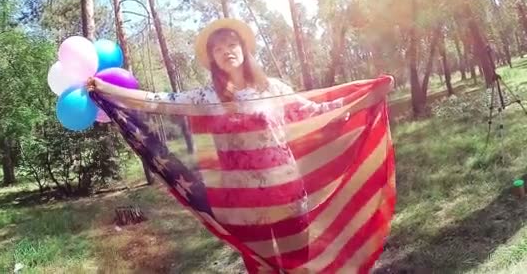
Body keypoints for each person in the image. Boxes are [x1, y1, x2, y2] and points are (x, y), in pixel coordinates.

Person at [87, 18, 344, 272]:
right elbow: (159, 100)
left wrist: (357, 102)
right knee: (261, 268)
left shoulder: (272, 88)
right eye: (218, 49)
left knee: (298, 265)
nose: (226, 52)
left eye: (231, 44)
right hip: (244, 204)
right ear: (213, 59)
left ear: (243, 48)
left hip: (286, 195)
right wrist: (109, 89)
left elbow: (312, 111)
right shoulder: (206, 97)